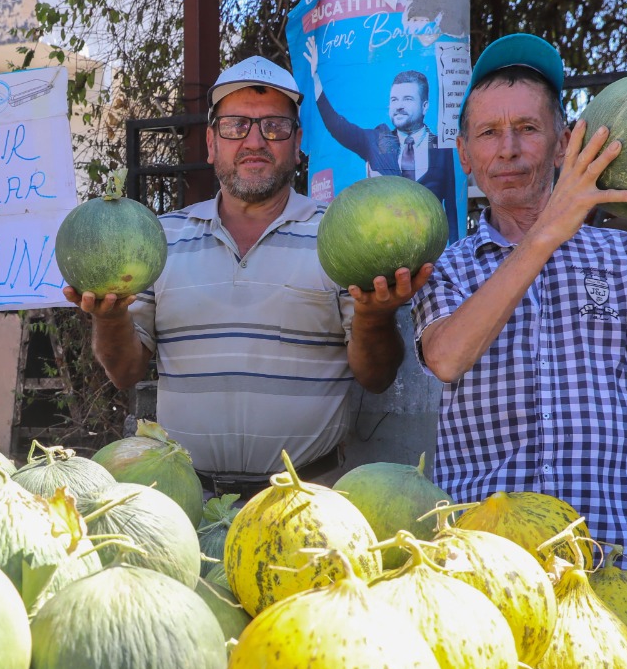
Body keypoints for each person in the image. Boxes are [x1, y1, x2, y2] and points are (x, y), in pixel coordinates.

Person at [414, 33, 627, 595]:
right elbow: (448, 357)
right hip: (487, 564)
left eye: (528, 129)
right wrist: (548, 233)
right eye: (489, 133)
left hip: (625, 554)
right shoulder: (449, 268)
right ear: (464, 154)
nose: (508, 149)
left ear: (562, 144)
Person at [64, 55, 425, 498]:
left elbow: (377, 376)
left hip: (307, 502)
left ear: (297, 144)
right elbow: (125, 372)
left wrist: (374, 317)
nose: (255, 141)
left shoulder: (338, 238)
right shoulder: (157, 239)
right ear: (212, 144)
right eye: (236, 126)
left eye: (274, 127)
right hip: (185, 501)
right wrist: (108, 318)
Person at [303, 38, 463, 243]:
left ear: (425, 106)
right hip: (383, 252)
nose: (399, 106)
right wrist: (316, 79)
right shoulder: (376, 140)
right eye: (394, 100)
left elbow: (451, 207)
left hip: (432, 258)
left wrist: (453, 252)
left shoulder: (442, 148)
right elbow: (337, 126)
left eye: (407, 99)